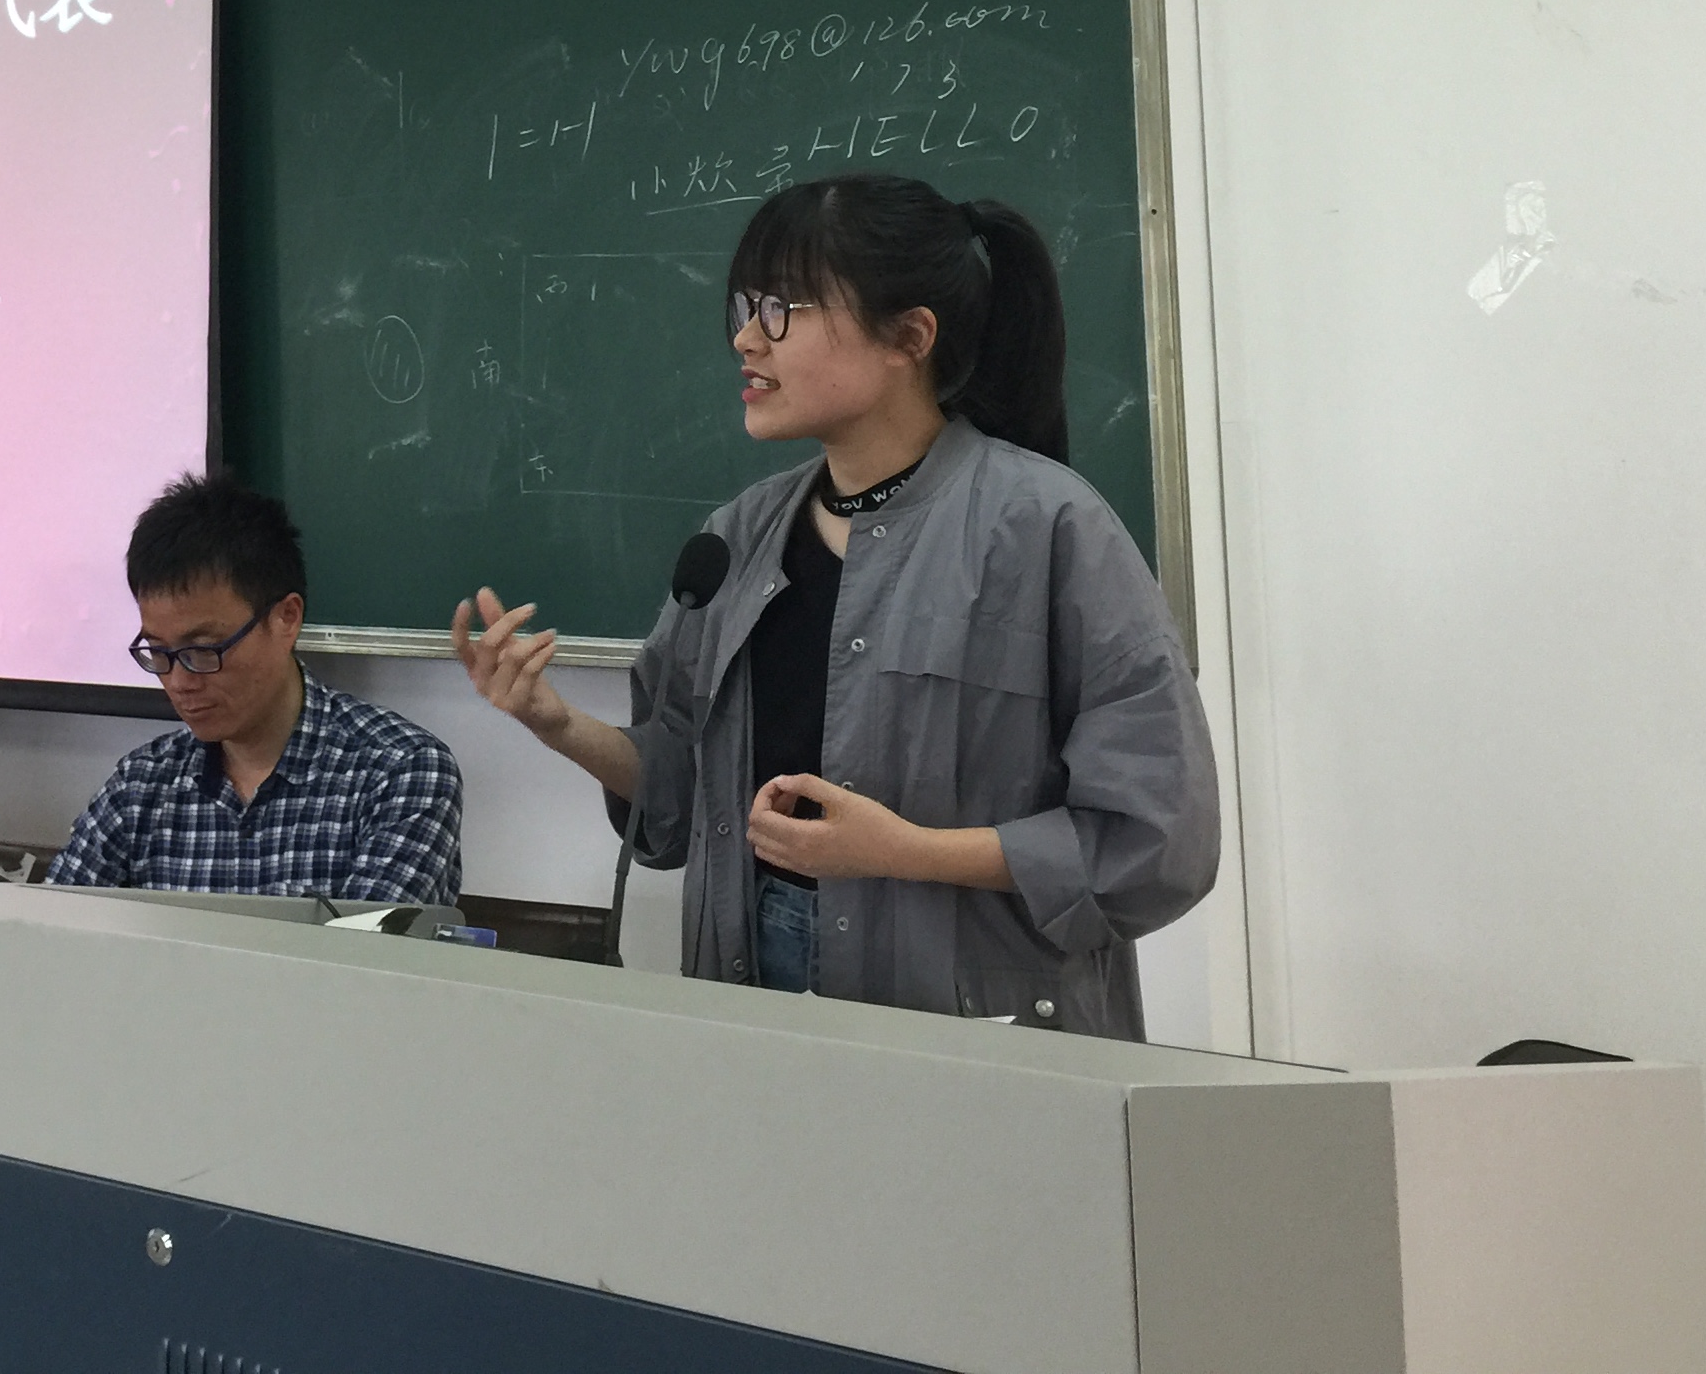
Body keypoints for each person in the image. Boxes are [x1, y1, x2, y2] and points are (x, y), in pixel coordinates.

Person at [451, 175, 1218, 1038]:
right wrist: (556, 724)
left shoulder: (1049, 528)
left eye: (783, 310)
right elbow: (686, 793)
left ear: (909, 337)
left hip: (973, 1018)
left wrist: (905, 853)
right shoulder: (737, 537)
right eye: (746, 307)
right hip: (750, 989)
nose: (746, 338)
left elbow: (1155, 839)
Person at [0, 473, 463, 1053]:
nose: (179, 682)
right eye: (158, 652)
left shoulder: (400, 772)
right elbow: (41, 933)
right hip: (153, 1070)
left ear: (286, 618)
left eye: (203, 651)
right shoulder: (144, 783)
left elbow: (363, 984)